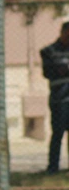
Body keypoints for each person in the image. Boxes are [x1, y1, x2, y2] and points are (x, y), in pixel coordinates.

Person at [39, 21, 69, 173]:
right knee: (57, 133)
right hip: (59, 100)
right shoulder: (50, 51)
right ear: (62, 33)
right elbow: (49, 72)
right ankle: (53, 167)